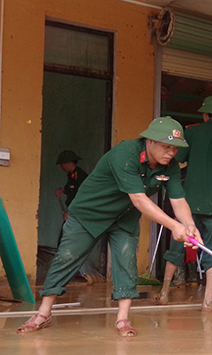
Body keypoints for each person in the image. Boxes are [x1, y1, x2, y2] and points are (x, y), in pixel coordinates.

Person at [17, 116, 202, 337]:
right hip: (90, 213)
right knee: (66, 257)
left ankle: (123, 319)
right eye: (166, 146)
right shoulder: (126, 154)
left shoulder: (169, 166)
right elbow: (140, 200)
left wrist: (189, 226)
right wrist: (174, 225)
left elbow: (178, 200)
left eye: (175, 148)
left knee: (126, 262)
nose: (171, 152)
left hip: (124, 216)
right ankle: (43, 313)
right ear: (150, 141)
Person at [158, 95, 212, 310]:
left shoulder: (192, 132)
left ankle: (164, 293)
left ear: (204, 115)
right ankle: (208, 300)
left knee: (177, 245)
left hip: (189, 201)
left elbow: (179, 160)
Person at [54, 150, 88, 221]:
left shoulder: (80, 175)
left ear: (69, 162)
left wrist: (72, 213)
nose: (61, 166)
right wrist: (62, 190)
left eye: (62, 163)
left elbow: (82, 196)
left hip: (79, 213)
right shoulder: (71, 175)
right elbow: (71, 189)